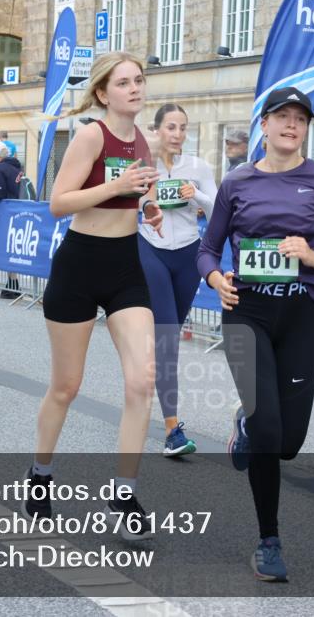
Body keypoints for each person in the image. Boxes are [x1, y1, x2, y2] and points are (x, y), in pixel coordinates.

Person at [198, 87, 314, 581]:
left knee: (288, 442)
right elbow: (208, 248)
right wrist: (215, 278)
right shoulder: (236, 181)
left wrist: (312, 258)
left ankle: (247, 427)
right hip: (247, 312)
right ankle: (269, 539)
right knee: (269, 431)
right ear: (263, 126)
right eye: (282, 116)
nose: (291, 125)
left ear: (307, 128)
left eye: (300, 119)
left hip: (299, 315)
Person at [22, 52, 163, 541]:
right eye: (124, 82)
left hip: (126, 267)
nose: (135, 88)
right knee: (66, 386)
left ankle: (124, 492)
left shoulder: (144, 141)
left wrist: (148, 207)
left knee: (143, 381)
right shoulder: (90, 136)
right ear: (103, 93)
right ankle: (40, 474)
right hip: (79, 265)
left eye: (139, 80)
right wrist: (117, 185)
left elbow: (137, 195)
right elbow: (59, 203)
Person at [138, 103, 218, 457]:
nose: (177, 134)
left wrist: (196, 195)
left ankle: (149, 374)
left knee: (166, 337)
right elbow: (127, 201)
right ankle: (172, 429)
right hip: (150, 249)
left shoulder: (198, 168)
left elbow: (219, 211)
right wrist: (146, 204)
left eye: (183, 128)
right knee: (167, 335)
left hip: (188, 254)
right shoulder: (143, 165)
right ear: (157, 131)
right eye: (171, 127)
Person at [0, 141, 24, 299]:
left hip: (6, 212)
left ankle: (13, 286)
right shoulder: (17, 167)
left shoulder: (0, 168)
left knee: (7, 247)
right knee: (13, 248)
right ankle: (12, 284)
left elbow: (0, 193)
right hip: (19, 210)